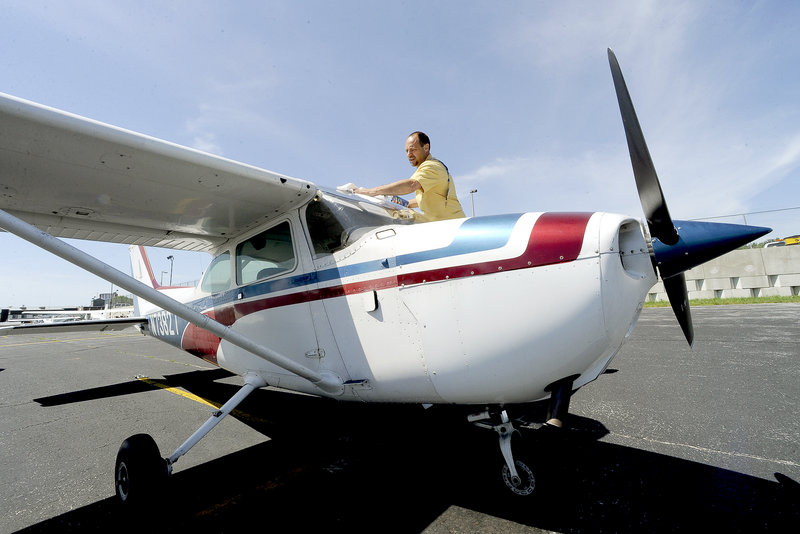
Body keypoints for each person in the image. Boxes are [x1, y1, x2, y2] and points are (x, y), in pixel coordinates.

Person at [356, 131, 466, 222]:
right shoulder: (430, 169)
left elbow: (411, 184)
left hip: (451, 227)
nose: (409, 154)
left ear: (426, 148)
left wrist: (372, 192)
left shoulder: (432, 166)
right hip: (442, 224)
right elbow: (430, 198)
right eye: (407, 151)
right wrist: (406, 204)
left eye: (413, 149)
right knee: (402, 214)